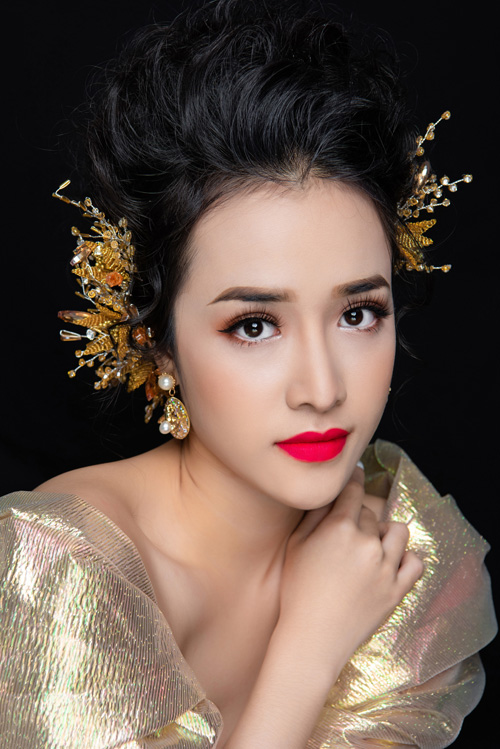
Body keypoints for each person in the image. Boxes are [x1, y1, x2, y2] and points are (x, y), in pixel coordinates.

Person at [0, 1, 495, 747]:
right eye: (254, 325)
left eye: (358, 313)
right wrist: (309, 647)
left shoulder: (398, 549)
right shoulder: (63, 567)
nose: (322, 389)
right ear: (157, 344)